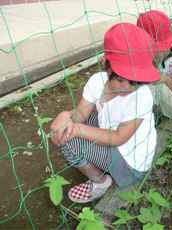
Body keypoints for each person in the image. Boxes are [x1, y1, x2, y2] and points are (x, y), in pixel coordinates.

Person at [50, 23, 159, 203]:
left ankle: (100, 181)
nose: (129, 88)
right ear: (105, 63)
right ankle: (100, 166)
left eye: (136, 82)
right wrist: (66, 116)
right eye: (121, 79)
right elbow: (80, 114)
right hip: (117, 138)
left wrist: (76, 130)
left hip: (131, 164)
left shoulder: (142, 96)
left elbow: (118, 138)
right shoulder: (96, 82)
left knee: (70, 140)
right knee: (73, 126)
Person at [137, 10, 172, 119]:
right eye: (149, 49)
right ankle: (151, 111)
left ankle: (156, 111)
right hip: (158, 99)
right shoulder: (145, 56)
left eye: (158, 49)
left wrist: (166, 79)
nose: (154, 53)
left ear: (169, 45)